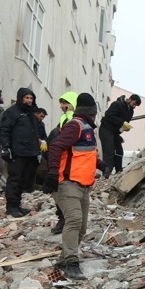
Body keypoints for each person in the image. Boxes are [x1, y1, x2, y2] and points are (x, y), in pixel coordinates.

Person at [43, 92, 100, 280]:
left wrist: (101, 165)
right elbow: (56, 146)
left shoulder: (87, 130)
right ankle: (71, 263)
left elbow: (82, 154)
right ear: (90, 113)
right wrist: (52, 173)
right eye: (93, 113)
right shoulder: (74, 126)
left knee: (82, 228)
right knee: (74, 220)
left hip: (83, 186)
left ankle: (62, 260)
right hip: (67, 184)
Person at [0, 88, 41, 218]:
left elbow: (34, 133)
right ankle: (11, 207)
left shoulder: (31, 115)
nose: (29, 100)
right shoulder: (12, 112)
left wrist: (37, 151)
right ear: (21, 98)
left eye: (31, 98)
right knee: (14, 179)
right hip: (17, 152)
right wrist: (6, 147)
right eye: (26, 98)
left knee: (23, 180)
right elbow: (4, 130)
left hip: (30, 153)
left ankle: (17, 205)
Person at [48, 91, 79, 234]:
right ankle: (63, 219)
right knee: (60, 191)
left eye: (66, 103)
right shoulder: (63, 119)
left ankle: (68, 221)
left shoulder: (75, 121)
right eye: (61, 103)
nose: (62, 106)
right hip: (62, 162)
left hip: (74, 164)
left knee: (69, 194)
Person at [99, 93, 140, 177]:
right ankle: (106, 174)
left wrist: (124, 128)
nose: (134, 106)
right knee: (109, 151)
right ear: (130, 99)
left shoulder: (130, 111)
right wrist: (122, 122)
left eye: (136, 105)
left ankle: (118, 173)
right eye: (134, 104)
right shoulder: (117, 104)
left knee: (119, 152)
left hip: (115, 133)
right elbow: (109, 116)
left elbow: (125, 123)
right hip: (106, 129)